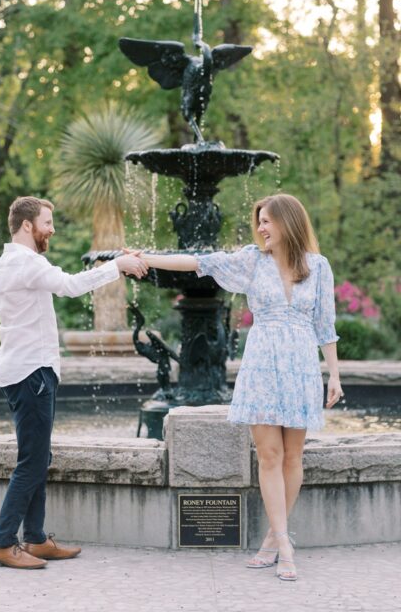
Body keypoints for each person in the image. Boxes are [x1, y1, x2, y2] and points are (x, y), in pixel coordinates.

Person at [136, 193, 342, 581]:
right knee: (269, 455)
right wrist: (148, 258)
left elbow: (325, 326)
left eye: (267, 221)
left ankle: (271, 540)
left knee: (293, 458)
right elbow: (198, 262)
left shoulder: (318, 266)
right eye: (259, 221)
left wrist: (334, 374)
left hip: (300, 366)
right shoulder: (252, 260)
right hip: (262, 364)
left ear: (288, 222)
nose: (261, 228)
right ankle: (284, 545)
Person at [0, 196, 148, 569]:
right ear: (27, 225)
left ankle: (37, 539)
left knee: (40, 457)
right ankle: (2, 543)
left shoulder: (1, 265)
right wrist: (117, 266)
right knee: (31, 461)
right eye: (47, 222)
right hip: (32, 373)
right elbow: (72, 285)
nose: (52, 229)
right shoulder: (26, 264)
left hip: (24, 370)